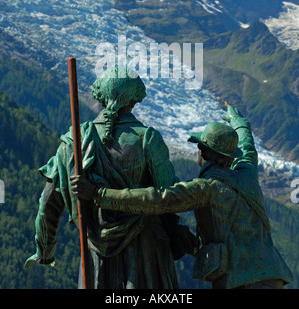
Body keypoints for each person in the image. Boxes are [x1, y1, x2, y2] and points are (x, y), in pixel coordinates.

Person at [72, 103, 293, 289]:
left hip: (239, 281)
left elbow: (156, 199)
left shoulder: (205, 188)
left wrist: (98, 194)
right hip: (273, 274)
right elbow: (247, 144)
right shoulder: (248, 173)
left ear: (202, 152)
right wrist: (239, 121)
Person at [25, 66, 195, 289]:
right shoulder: (148, 140)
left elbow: (48, 203)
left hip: (95, 253)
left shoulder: (73, 143)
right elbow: (171, 199)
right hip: (147, 253)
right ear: (133, 100)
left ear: (101, 98)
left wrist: (44, 252)